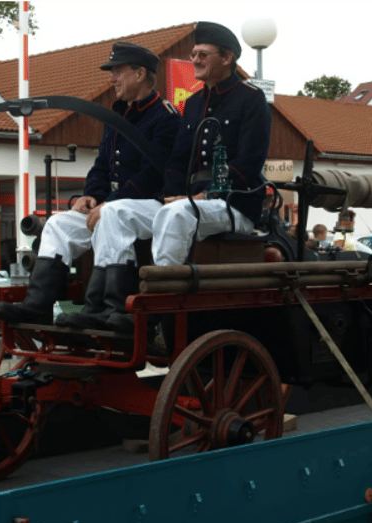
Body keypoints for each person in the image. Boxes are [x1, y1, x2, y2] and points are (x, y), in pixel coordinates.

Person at [57, 21, 271, 333]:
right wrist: (171, 193)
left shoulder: (251, 100)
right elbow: (177, 160)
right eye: (193, 54)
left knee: (176, 212)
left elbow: (248, 162)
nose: (194, 59)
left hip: (234, 203)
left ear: (227, 58)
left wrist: (205, 195)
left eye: (202, 54)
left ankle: (157, 307)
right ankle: (104, 308)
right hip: (190, 202)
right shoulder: (195, 103)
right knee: (117, 213)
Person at [0, 42, 180, 326]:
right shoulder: (117, 116)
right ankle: (38, 305)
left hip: (154, 206)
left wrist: (109, 203)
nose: (112, 79)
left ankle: (106, 308)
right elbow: (102, 166)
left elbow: (152, 176)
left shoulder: (165, 118)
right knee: (58, 224)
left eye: (117, 72)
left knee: (113, 215)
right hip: (115, 208)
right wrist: (91, 195)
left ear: (140, 74)